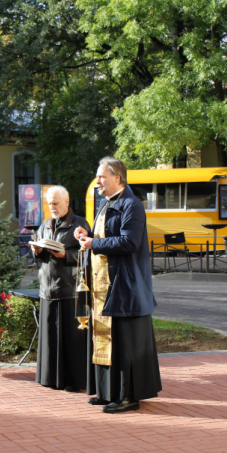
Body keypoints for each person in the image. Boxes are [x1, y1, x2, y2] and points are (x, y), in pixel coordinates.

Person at [75, 157, 162, 413]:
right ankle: (107, 392)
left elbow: (128, 243)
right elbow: (103, 236)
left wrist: (93, 244)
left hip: (125, 286)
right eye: (98, 176)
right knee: (107, 340)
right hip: (105, 286)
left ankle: (127, 396)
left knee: (124, 344)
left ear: (118, 178)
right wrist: (85, 236)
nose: (98, 181)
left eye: (102, 177)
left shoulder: (131, 205)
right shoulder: (106, 203)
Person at [31, 186, 90, 391]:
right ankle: (49, 378)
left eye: (56, 203)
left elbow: (87, 256)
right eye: (49, 203)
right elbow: (41, 258)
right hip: (47, 289)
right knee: (49, 338)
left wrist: (66, 255)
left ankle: (74, 380)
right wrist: (37, 251)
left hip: (69, 289)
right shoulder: (45, 225)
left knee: (71, 340)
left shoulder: (80, 224)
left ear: (67, 202)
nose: (52, 207)